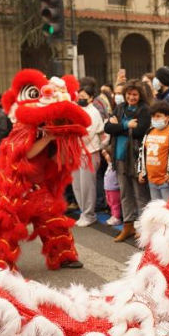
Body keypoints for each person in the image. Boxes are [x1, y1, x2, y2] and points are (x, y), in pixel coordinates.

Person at [104, 80, 151, 242]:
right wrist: (126, 124)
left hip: (136, 157)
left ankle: (146, 229)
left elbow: (139, 131)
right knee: (125, 193)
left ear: (140, 95)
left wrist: (118, 126)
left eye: (135, 94)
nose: (131, 97)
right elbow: (108, 128)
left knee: (140, 194)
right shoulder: (120, 107)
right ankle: (128, 226)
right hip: (119, 157)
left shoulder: (144, 109)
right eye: (129, 94)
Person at [72, 83, 106, 228]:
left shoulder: (93, 112)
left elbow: (86, 133)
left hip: (89, 152)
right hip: (76, 151)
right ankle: (84, 212)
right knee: (77, 185)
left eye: (84, 97)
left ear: (91, 98)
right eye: (79, 97)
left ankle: (89, 214)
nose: (80, 99)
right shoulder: (77, 109)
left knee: (87, 185)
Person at [138, 101, 169, 201]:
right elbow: (142, 152)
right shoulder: (149, 131)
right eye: (153, 116)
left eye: (158, 116)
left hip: (166, 181)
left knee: (167, 211)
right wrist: (141, 171)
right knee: (156, 210)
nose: (155, 119)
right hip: (151, 180)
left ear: (168, 117)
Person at [102, 149, 122, 226]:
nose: (105, 157)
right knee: (110, 202)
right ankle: (113, 215)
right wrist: (105, 152)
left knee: (115, 203)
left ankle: (117, 217)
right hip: (108, 188)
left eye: (107, 155)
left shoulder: (115, 166)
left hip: (114, 188)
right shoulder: (109, 165)